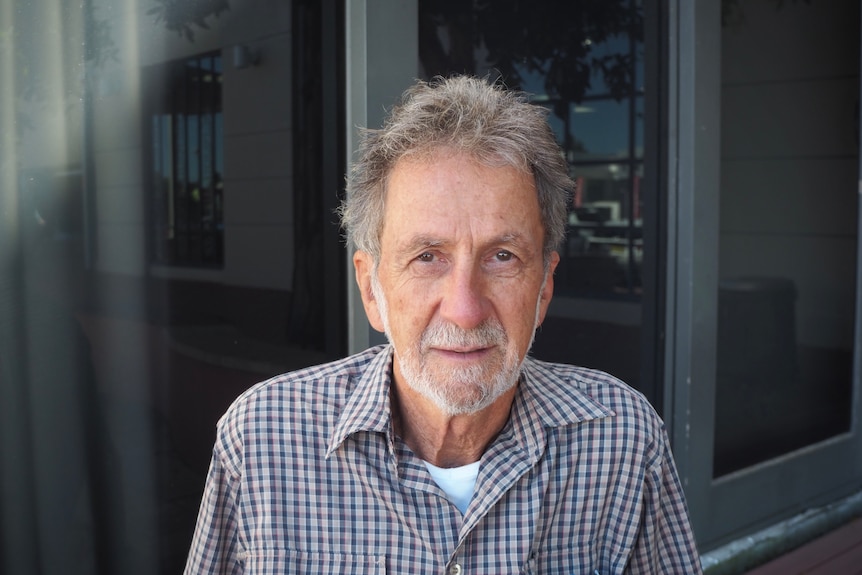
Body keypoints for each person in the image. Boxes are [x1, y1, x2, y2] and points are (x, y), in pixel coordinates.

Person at [184, 75, 702, 574]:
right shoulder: (261, 442)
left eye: (502, 256)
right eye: (427, 256)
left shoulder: (622, 441)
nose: (464, 309)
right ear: (371, 288)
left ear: (544, 286)